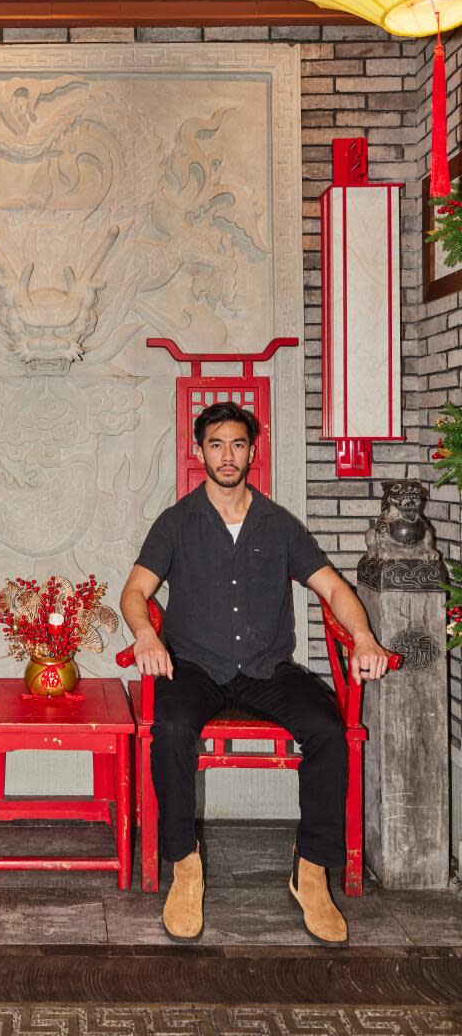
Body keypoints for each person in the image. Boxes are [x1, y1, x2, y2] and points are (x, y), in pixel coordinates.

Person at [120, 400, 389, 947]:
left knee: (328, 730)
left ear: (252, 452)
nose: (227, 455)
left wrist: (362, 636)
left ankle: (311, 869)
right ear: (200, 453)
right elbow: (134, 592)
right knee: (168, 730)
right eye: (216, 444)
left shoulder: (278, 524)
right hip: (194, 667)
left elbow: (335, 588)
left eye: (238, 444)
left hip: (267, 669)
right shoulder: (176, 522)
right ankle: (185, 866)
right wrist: (146, 634)